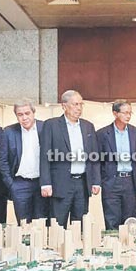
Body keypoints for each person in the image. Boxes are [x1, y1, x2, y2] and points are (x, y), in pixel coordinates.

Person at [40, 90, 101, 227]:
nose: (78, 108)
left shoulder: (88, 126)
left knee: (79, 226)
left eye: (81, 104)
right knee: (57, 226)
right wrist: (45, 183)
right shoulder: (51, 125)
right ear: (64, 106)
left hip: (82, 184)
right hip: (60, 184)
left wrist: (96, 181)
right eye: (75, 104)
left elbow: (94, 156)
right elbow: (44, 157)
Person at [0, 100, 47, 224]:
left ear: (33, 112)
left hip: (42, 183)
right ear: (16, 116)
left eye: (27, 113)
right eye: (20, 114)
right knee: (23, 223)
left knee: (42, 223)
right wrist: (11, 184)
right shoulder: (9, 132)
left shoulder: (46, 128)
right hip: (19, 184)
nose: (24, 117)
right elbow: (2, 161)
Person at [96, 100, 136, 230]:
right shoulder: (102, 133)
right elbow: (97, 160)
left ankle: (130, 248)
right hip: (111, 181)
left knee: (130, 220)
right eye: (125, 113)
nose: (128, 116)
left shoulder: (135, 132)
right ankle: (113, 247)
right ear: (115, 113)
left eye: (130, 113)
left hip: (130, 181)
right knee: (112, 220)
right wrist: (99, 181)